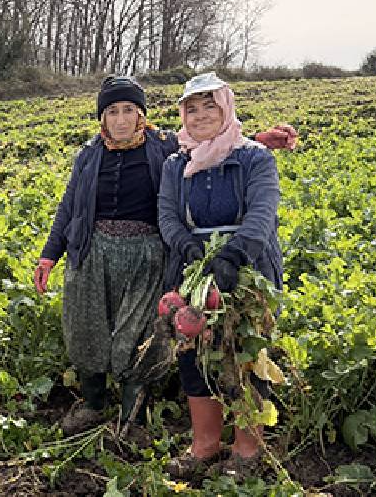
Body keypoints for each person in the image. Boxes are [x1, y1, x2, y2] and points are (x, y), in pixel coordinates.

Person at [34, 75, 296, 442]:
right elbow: (68, 207)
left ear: (142, 115)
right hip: (92, 253)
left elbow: (213, 138)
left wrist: (260, 140)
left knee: (138, 335)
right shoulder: (89, 154)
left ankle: (132, 420)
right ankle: (93, 405)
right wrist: (50, 255)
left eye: (129, 110)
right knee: (84, 331)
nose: (121, 119)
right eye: (112, 111)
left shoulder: (164, 147)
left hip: (146, 253)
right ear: (102, 118)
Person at [157, 72, 284, 478]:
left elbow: (263, 214)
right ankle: (205, 446)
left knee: (245, 355)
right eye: (191, 109)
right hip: (191, 268)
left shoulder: (254, 158)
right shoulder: (176, 163)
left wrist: (233, 255)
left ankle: (247, 450)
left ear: (226, 107)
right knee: (195, 355)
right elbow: (167, 216)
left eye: (209, 106)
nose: (199, 116)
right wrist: (189, 248)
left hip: (248, 266)